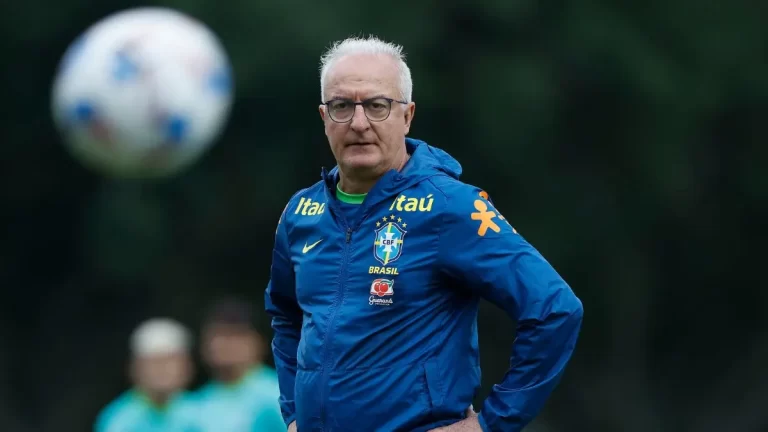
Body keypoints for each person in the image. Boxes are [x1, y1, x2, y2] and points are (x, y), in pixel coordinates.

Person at [264, 36, 584, 432]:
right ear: (324, 117)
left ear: (407, 115)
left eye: (377, 106)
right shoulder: (301, 213)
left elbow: (555, 308)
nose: (359, 123)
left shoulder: (451, 206)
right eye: (342, 106)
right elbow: (285, 316)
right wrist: (293, 412)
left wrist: (491, 423)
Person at [193, 297, 286, 432]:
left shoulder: (281, 395)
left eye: (236, 334)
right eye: (218, 334)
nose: (226, 343)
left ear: (258, 343)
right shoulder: (194, 403)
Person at [95, 318, 200, 432]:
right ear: (135, 367)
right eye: (154, 362)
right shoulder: (118, 419)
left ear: (188, 366)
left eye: (170, 361)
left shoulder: (203, 412)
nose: (162, 369)